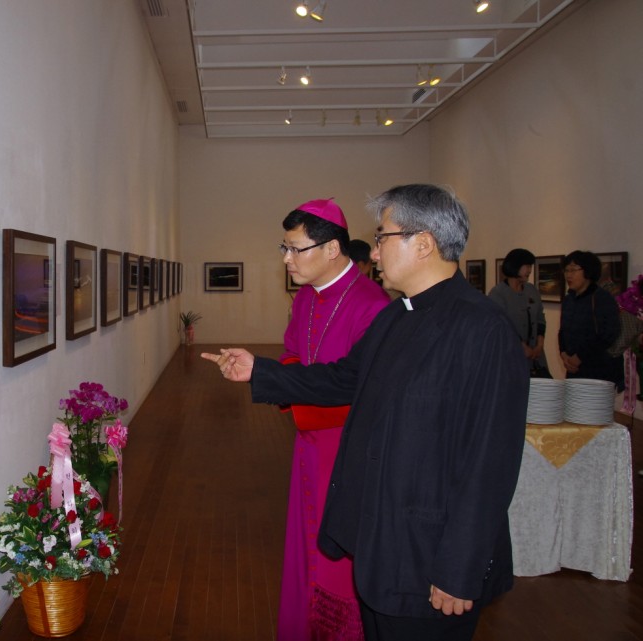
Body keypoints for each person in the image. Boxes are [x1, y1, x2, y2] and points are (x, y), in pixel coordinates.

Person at [202, 184, 528, 641]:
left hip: (431, 560)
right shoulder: (396, 317)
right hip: (384, 547)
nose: (373, 254)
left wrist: (460, 569)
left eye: (381, 238)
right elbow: (342, 379)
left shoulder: (484, 329)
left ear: (423, 243)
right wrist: (260, 371)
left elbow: (490, 464)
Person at [278, 199, 389, 640]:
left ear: (331, 249)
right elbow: (291, 352)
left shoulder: (372, 304)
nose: (287, 259)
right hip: (308, 446)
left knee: (337, 560)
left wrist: (288, 392)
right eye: (284, 248)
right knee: (304, 549)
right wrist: (280, 381)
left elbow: (367, 392)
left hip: (347, 451)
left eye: (295, 249)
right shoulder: (306, 297)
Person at [558, 250, 623, 390]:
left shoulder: (602, 298)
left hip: (599, 370)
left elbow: (609, 333)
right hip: (574, 369)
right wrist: (563, 354)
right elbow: (563, 331)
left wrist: (580, 357)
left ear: (588, 271)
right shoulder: (568, 300)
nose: (568, 275)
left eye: (573, 270)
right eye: (566, 270)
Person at [488, 248, 550, 377]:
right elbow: (501, 326)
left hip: (536, 359)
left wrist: (539, 345)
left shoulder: (531, 290)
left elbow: (540, 318)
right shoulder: (498, 293)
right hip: (510, 358)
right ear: (515, 266)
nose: (529, 270)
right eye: (526, 266)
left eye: (530, 266)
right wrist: (522, 347)